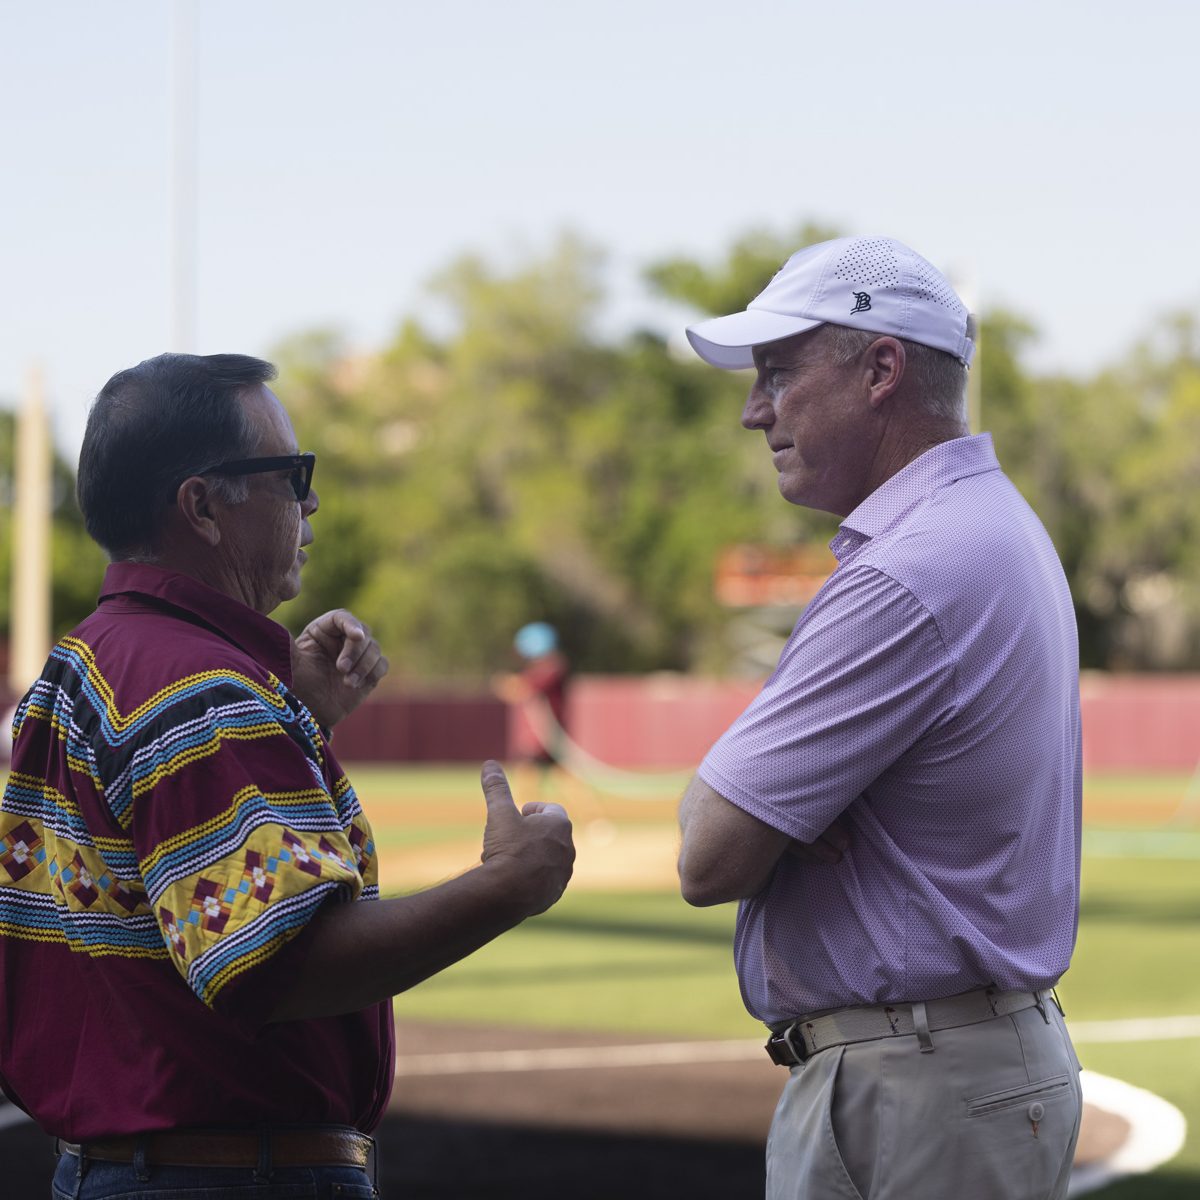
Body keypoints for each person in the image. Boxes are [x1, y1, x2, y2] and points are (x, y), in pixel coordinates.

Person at [0, 353, 575, 1199]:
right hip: (226, 1175)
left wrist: (298, 721)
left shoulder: (92, 658)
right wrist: (506, 887)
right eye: (290, 473)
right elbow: (278, 965)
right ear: (201, 506)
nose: (310, 502)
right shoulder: (198, 690)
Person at [676, 237, 1082, 1199]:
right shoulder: (989, 524)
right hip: (965, 1072)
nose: (753, 409)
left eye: (777, 371)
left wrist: (756, 801)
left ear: (880, 370)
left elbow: (709, 854)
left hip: (917, 1090)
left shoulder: (908, 570)